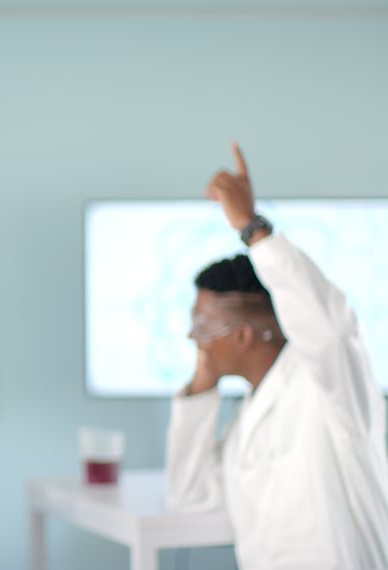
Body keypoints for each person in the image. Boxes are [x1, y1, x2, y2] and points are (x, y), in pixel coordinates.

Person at [165, 143, 388, 569]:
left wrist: (252, 228)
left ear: (244, 335)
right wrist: (199, 388)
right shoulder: (246, 425)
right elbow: (189, 495)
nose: (193, 337)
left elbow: (329, 329)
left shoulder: (326, 387)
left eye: (203, 325)